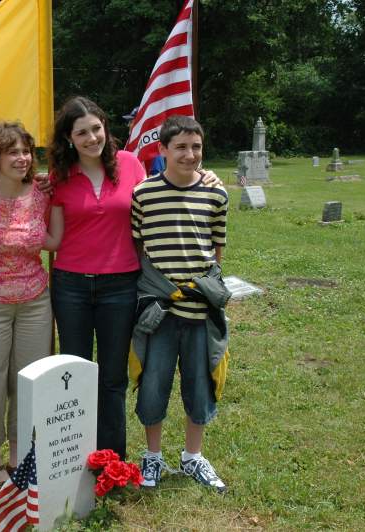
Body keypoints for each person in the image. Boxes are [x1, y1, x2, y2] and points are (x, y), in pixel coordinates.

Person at [131, 115, 229, 493]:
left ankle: (192, 456)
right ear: (163, 150)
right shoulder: (144, 195)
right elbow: (140, 248)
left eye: (197, 147)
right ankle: (152, 457)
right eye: (181, 147)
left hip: (200, 310)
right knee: (153, 383)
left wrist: (206, 290)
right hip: (159, 311)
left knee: (200, 383)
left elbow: (217, 251)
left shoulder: (216, 195)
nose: (190, 154)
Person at [47, 96, 147, 460]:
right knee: (73, 374)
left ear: (106, 128)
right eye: (81, 132)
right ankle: (71, 457)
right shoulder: (58, 178)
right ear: (69, 139)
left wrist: (204, 175)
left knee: (112, 378)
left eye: (96, 128)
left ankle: (110, 460)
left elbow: (160, 198)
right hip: (70, 285)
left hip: (120, 286)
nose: (92, 138)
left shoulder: (130, 165)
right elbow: (51, 234)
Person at [0, 122, 58, 488]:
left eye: (26, 151)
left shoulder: (41, 192)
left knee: (29, 380)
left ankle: (20, 455)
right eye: (12, 152)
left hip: (35, 300)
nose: (22, 159)